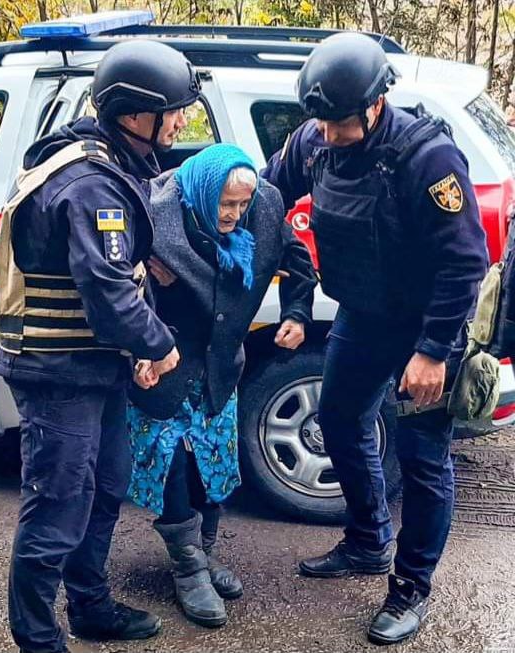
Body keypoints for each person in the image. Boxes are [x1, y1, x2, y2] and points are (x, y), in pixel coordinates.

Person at [262, 32, 489, 645]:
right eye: (323, 124)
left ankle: (411, 586)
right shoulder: (313, 140)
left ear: (376, 105)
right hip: (362, 316)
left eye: (340, 124)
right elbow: (268, 195)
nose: (329, 135)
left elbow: (465, 263)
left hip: (425, 327)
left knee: (422, 461)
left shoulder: (428, 159)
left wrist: (434, 352)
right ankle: (367, 541)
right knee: (338, 419)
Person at [0, 39, 201, 653]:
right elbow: (107, 289)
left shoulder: (114, 160)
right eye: (175, 109)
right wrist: (157, 344)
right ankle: (37, 639)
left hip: (91, 365)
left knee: (106, 486)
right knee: (56, 507)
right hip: (57, 371)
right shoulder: (90, 183)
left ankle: (89, 608)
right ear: (137, 115)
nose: (183, 120)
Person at [128, 143, 316, 628]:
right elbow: (117, 283)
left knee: (212, 461)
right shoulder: (155, 211)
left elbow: (298, 261)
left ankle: (204, 553)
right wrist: (142, 340)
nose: (235, 214)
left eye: (241, 205)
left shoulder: (265, 204)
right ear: (200, 195)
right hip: (165, 359)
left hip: (220, 363)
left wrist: (296, 313)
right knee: (169, 457)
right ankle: (187, 567)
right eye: (225, 205)